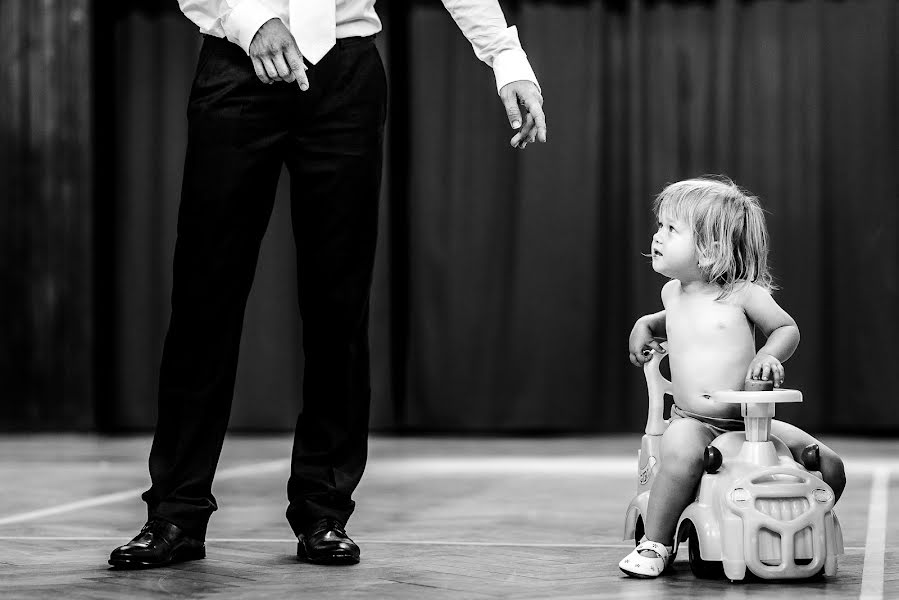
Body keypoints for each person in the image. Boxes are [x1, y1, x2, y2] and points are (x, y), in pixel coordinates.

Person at [108, 0, 547, 569]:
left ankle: (324, 511)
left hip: (345, 75)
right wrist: (250, 22)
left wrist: (506, 58)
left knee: (338, 305)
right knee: (203, 300)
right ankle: (175, 513)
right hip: (237, 69)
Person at [618, 177, 846, 578]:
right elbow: (668, 323)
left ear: (711, 249)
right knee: (681, 456)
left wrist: (767, 355)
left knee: (828, 464)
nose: (657, 236)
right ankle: (656, 542)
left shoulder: (742, 293)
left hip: (749, 423)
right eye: (660, 226)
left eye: (672, 229)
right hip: (695, 421)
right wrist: (644, 324)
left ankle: (797, 530)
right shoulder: (672, 293)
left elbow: (786, 329)